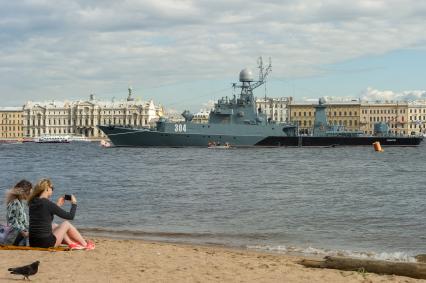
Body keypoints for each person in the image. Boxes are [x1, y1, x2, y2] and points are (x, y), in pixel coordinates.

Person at [28, 178, 94, 250]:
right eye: (52, 188)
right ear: (47, 189)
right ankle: (85, 244)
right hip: (45, 244)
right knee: (66, 224)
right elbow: (70, 216)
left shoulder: (32, 202)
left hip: (33, 242)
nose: (52, 190)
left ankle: (71, 243)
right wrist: (74, 203)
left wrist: (57, 205)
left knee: (55, 225)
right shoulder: (48, 204)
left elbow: (45, 218)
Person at [4, 180, 32, 246]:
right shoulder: (15, 202)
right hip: (15, 236)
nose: (31, 195)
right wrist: (23, 232)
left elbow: (22, 222)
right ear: (25, 192)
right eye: (30, 192)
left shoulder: (19, 202)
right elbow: (12, 222)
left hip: (19, 233)